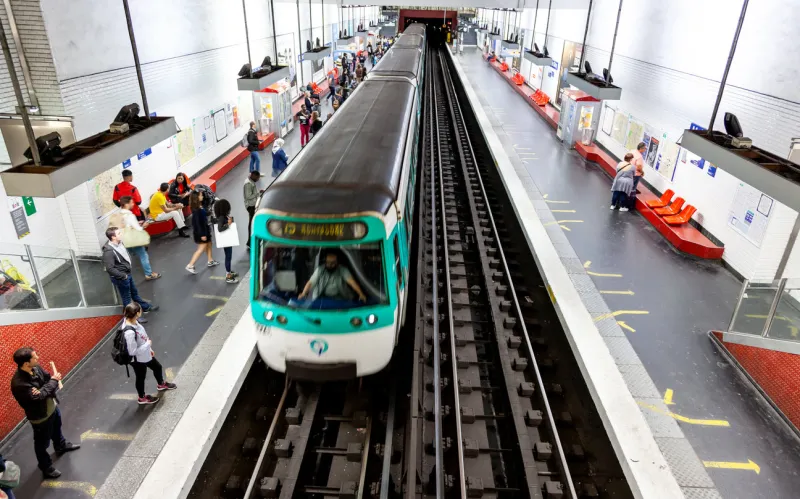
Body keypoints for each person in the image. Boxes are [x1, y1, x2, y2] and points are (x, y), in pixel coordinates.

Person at [10, 347, 80, 479]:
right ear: (26, 363)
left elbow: (47, 379)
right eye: (35, 357)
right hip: (40, 417)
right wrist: (52, 382)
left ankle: (60, 446)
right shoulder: (19, 384)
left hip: (51, 407)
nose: (38, 358)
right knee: (42, 444)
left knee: (57, 428)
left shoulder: (35, 368)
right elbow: (41, 394)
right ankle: (45, 467)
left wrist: (44, 388)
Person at [122, 302, 176, 405]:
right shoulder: (129, 332)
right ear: (137, 313)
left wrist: (149, 349)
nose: (142, 311)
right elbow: (132, 351)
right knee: (141, 377)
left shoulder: (134, 322)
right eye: (141, 310)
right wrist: (147, 345)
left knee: (157, 367)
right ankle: (141, 398)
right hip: (137, 360)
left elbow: (142, 337)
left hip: (145, 354)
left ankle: (161, 384)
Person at [103, 227, 159, 321]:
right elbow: (110, 268)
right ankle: (133, 318)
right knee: (127, 299)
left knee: (134, 293)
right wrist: (123, 276)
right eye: (119, 233)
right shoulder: (109, 251)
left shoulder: (120, 243)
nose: (121, 234)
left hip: (127, 274)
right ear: (113, 237)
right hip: (122, 277)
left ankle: (145, 307)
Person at [116, 196, 161, 280]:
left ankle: (123, 274)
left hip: (125, 240)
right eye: (131, 202)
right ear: (126, 204)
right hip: (133, 239)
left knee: (129, 255)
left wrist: (136, 223)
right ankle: (149, 274)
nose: (133, 204)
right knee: (143, 255)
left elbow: (124, 226)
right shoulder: (130, 215)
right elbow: (138, 229)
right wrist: (144, 225)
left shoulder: (119, 214)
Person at [298, 253, 367, 302]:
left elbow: (352, 283)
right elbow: (311, 282)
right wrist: (304, 293)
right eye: (328, 263)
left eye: (332, 263)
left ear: (337, 263)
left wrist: (361, 294)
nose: (330, 265)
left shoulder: (343, 270)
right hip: (321, 299)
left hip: (341, 299)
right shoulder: (320, 269)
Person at [186, 191, 218, 274]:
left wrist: (209, 212)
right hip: (201, 232)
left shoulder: (199, 207)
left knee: (209, 244)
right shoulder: (197, 210)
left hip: (205, 230)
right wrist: (203, 234)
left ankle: (210, 260)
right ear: (196, 197)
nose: (202, 196)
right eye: (200, 195)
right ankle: (190, 265)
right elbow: (198, 224)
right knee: (200, 249)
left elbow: (204, 214)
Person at [213, 199, 239, 284]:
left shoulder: (223, 216)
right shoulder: (221, 218)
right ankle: (228, 276)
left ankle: (229, 271)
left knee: (229, 257)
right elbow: (220, 229)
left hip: (228, 240)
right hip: (226, 241)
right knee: (228, 257)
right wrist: (229, 224)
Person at [244, 171, 262, 249]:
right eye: (257, 178)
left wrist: (258, 192)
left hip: (252, 205)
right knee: (251, 223)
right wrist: (257, 194)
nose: (258, 180)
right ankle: (250, 242)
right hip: (250, 206)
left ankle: (250, 241)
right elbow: (248, 196)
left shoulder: (250, 181)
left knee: (252, 222)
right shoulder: (248, 183)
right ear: (253, 175)